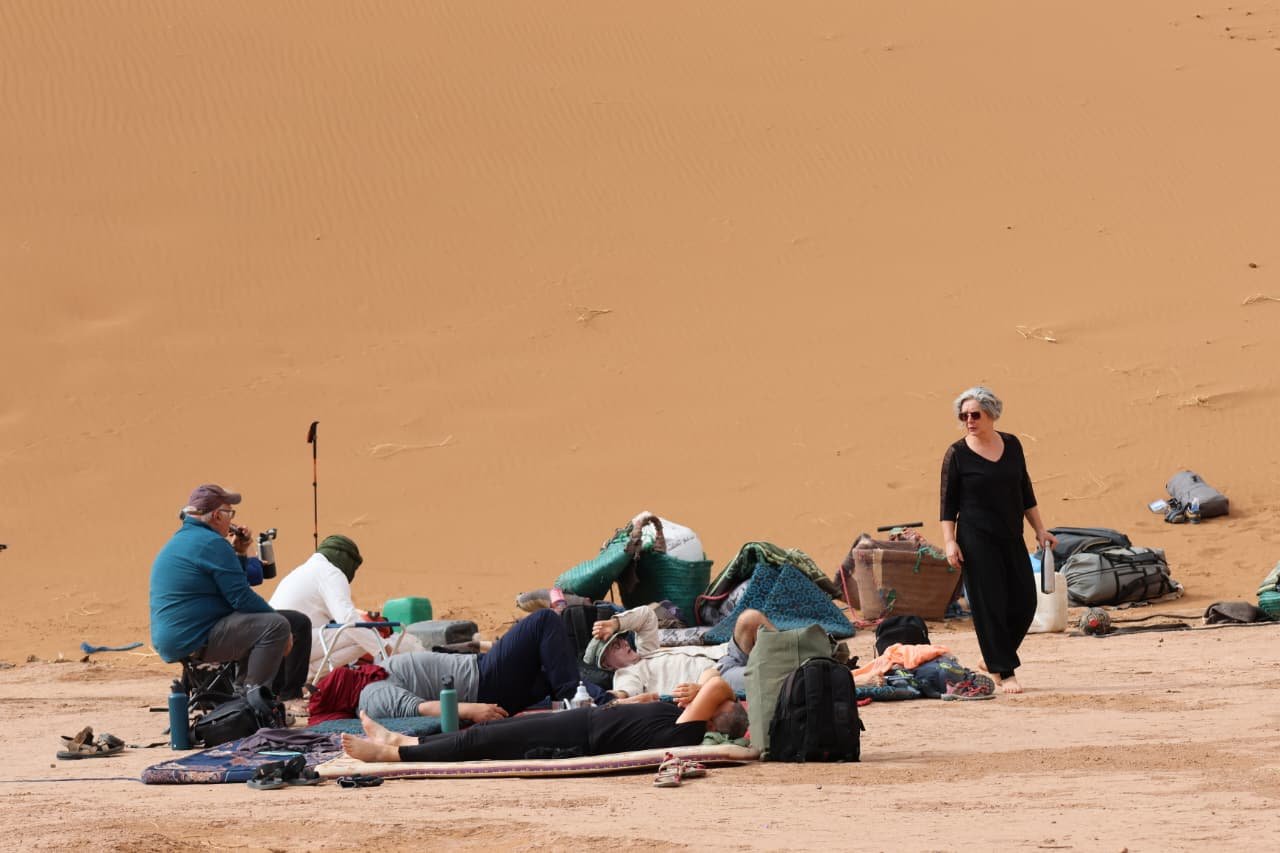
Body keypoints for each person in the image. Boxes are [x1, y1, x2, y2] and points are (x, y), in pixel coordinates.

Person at [342, 673, 746, 764]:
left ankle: (392, 756)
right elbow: (714, 686)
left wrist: (708, 691)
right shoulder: (688, 720)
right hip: (583, 724)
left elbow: (716, 682)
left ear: (712, 718)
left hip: (578, 738)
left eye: (713, 705)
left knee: (479, 742)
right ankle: (404, 741)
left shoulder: (691, 730)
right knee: (486, 731)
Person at [940, 387, 1057, 694]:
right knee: (989, 605)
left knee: (1025, 602)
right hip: (975, 540)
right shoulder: (957, 454)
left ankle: (992, 657)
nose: (969, 421)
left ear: (991, 414)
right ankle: (1005, 672)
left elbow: (1025, 491)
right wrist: (950, 542)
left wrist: (1040, 529)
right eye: (963, 416)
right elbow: (947, 505)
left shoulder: (1012, 444)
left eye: (975, 415)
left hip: (1011, 535)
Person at [149, 484, 310, 699]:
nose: (232, 519)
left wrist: (240, 552)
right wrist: (281, 626)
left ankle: (241, 697)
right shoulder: (212, 543)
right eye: (230, 513)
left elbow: (236, 585)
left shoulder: (185, 539)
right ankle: (251, 701)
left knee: (274, 622)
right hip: (194, 636)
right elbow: (241, 598)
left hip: (180, 635)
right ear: (217, 515)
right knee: (276, 625)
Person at [356, 609, 609, 721]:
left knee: (553, 665)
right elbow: (419, 708)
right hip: (482, 681)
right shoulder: (371, 694)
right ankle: (579, 699)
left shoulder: (372, 678)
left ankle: (605, 701)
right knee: (544, 621)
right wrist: (471, 710)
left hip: (483, 677)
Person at [268, 534, 423, 680]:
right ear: (344, 558)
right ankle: (307, 678)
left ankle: (302, 679)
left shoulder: (305, 570)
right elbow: (347, 618)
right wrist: (385, 648)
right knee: (365, 634)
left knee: (358, 634)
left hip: (274, 644)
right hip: (294, 641)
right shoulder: (331, 572)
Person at [585, 605, 774, 698]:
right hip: (717, 678)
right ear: (607, 664)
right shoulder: (626, 674)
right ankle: (790, 672)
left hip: (726, 653)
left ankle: (787, 654)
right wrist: (606, 698)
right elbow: (623, 694)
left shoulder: (647, 651)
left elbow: (647, 616)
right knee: (768, 675)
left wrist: (615, 624)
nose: (625, 644)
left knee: (750, 618)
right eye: (615, 646)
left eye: (621, 640)